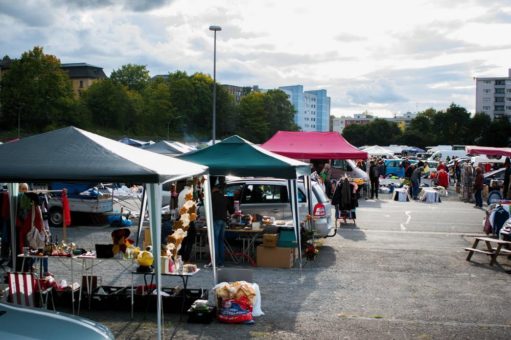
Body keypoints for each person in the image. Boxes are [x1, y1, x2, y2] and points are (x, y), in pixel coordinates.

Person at [206, 182, 234, 268]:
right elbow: (231, 211)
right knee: (221, 241)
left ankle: (215, 262)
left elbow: (209, 210)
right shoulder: (224, 198)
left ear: (214, 189)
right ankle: (221, 262)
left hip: (215, 220)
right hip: (223, 221)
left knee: (215, 241)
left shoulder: (211, 198)